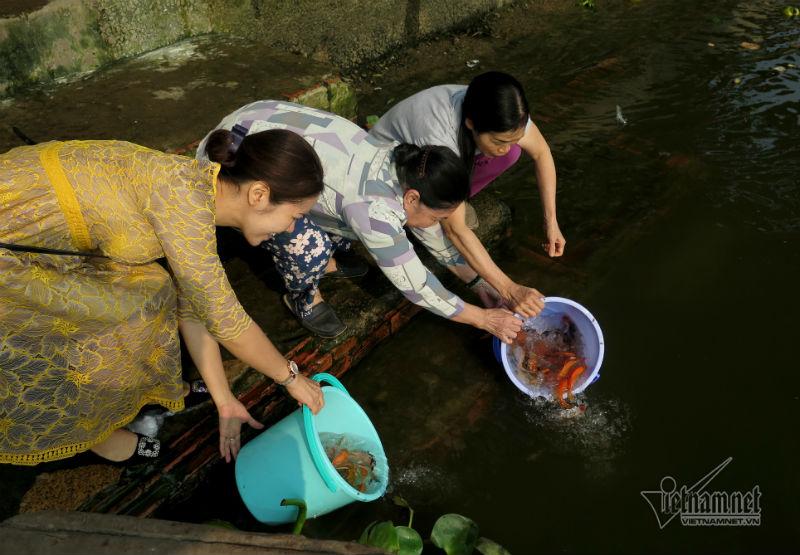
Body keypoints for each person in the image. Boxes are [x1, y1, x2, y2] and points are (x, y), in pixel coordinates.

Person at [0, 132, 325, 466]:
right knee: (101, 315)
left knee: (155, 287)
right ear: (259, 194)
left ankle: (144, 392)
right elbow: (227, 321)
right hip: (12, 232)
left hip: (44, 231)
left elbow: (194, 305)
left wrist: (224, 400)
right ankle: (94, 437)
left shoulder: (199, 191)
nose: (291, 229)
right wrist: (291, 379)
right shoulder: (185, 205)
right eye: (295, 216)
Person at [198, 100, 528, 342]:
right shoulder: (374, 211)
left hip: (254, 123)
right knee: (306, 244)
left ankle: (329, 254)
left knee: (347, 221)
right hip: (232, 159)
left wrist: (479, 284)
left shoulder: (402, 160)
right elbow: (416, 285)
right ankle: (303, 295)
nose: (439, 225)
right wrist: (484, 320)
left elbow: (429, 235)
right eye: (439, 217)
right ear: (412, 198)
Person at [369, 71, 564, 312]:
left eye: (513, 138)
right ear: (471, 123)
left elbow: (541, 153)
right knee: (439, 224)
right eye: (499, 141)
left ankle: (455, 202)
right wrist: (506, 288)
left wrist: (551, 221)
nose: (505, 147)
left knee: (513, 155)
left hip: (442, 160)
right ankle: (445, 206)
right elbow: (456, 231)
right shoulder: (438, 136)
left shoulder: (505, 111)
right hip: (391, 167)